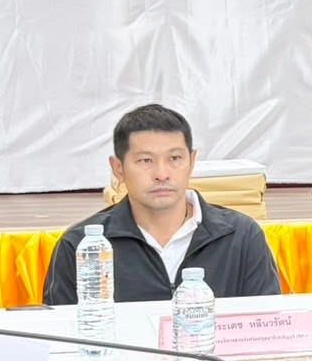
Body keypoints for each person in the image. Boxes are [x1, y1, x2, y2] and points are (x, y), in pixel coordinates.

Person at [43, 104, 282, 304]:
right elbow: (60, 337)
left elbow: (266, 329)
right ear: (118, 168)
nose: (161, 174)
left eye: (175, 158)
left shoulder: (242, 237)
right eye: (145, 160)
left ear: (192, 161)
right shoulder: (81, 246)